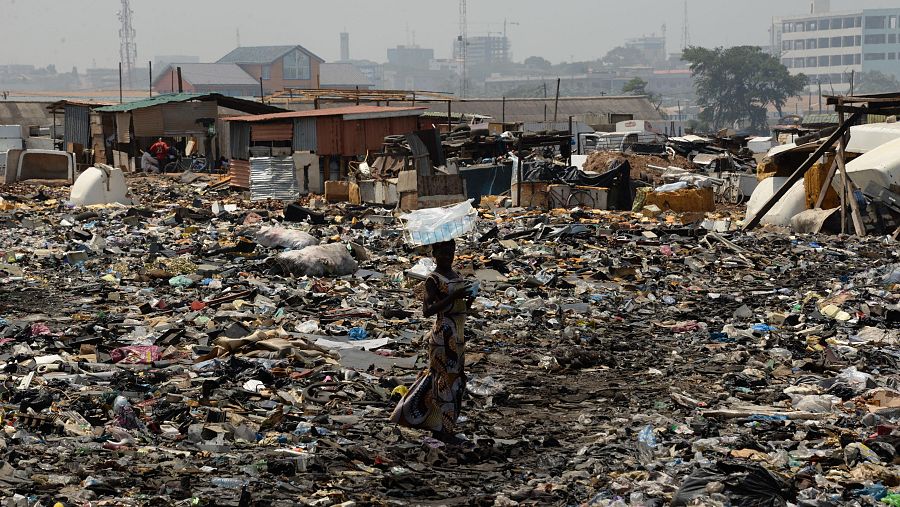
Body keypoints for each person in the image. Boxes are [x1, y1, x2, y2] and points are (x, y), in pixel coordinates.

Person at [391, 239, 473, 443]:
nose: (448, 256)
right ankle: (442, 431)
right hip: (443, 337)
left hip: (458, 336)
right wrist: (454, 297)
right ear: (435, 253)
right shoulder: (433, 279)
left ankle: (444, 426)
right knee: (443, 383)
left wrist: (468, 299)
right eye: (443, 252)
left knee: (455, 382)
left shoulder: (456, 275)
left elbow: (460, 307)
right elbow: (427, 310)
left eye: (451, 251)